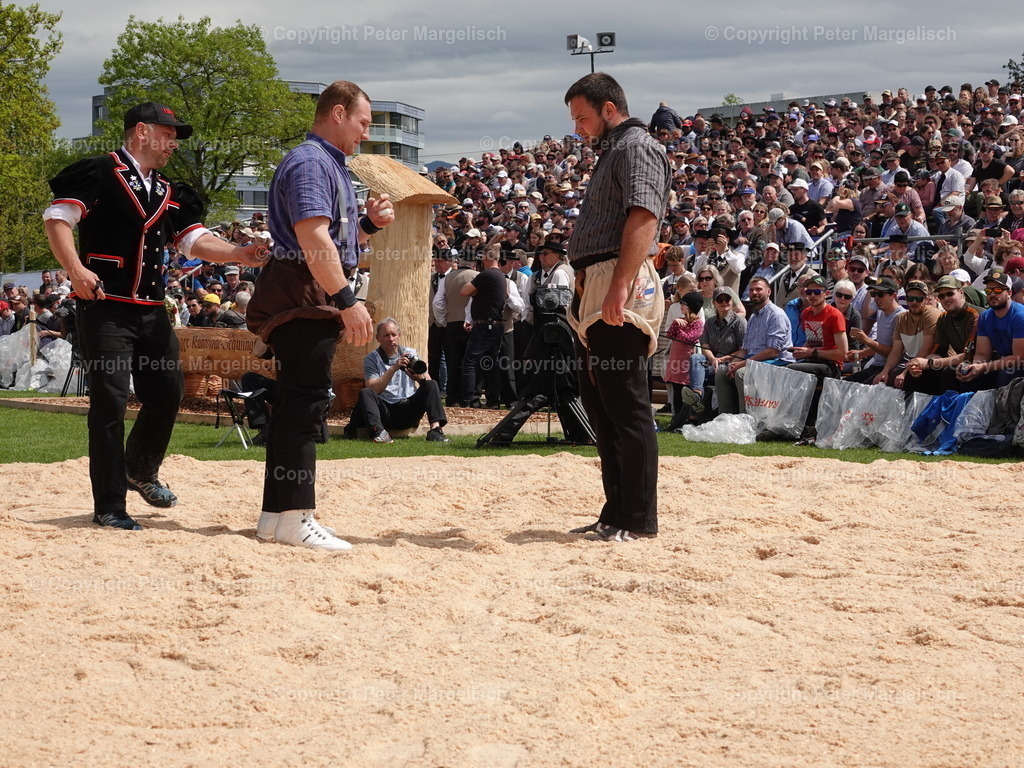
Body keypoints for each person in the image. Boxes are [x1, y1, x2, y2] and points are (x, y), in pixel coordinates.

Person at [43, 101, 263, 532]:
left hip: (150, 310)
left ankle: (139, 468)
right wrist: (76, 269)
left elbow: (194, 240)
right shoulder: (99, 172)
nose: (174, 144)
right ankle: (110, 505)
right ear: (141, 131)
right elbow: (58, 220)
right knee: (109, 402)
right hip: (104, 307)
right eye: (169, 135)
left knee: (167, 391)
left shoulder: (168, 190)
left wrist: (239, 253)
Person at [246, 81, 393, 552]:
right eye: (363, 122)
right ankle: (294, 515)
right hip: (304, 294)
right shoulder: (312, 162)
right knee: (305, 403)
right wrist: (349, 301)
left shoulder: (323, 163)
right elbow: (312, 240)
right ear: (337, 113)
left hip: (303, 290)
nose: (365, 134)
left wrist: (368, 225)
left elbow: (325, 241)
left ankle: (276, 516)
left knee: (296, 402)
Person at [562, 72, 670, 543]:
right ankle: (616, 511)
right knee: (602, 406)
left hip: (616, 280)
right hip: (597, 280)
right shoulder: (615, 150)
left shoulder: (635, 146)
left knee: (626, 406)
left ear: (609, 109)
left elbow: (644, 217)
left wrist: (619, 287)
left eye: (583, 117)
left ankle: (639, 518)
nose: (578, 128)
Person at [345, 318, 450, 444]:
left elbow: (427, 382)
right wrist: (393, 368)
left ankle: (435, 430)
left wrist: (419, 378)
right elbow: (373, 389)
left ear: (399, 336)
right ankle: (378, 432)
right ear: (378, 338)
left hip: (408, 410)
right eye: (386, 335)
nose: (391, 339)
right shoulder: (372, 358)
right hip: (385, 411)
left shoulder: (410, 354)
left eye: (394, 335)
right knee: (365, 392)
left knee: (431, 384)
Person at [714, 276, 794, 414]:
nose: (754, 293)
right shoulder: (753, 317)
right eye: (751, 290)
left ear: (769, 291)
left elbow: (773, 352)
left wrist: (742, 365)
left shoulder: (776, 315)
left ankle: (746, 420)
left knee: (741, 374)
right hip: (755, 361)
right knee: (722, 372)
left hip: (777, 363)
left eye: (759, 289)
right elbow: (744, 350)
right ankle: (725, 418)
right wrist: (733, 363)